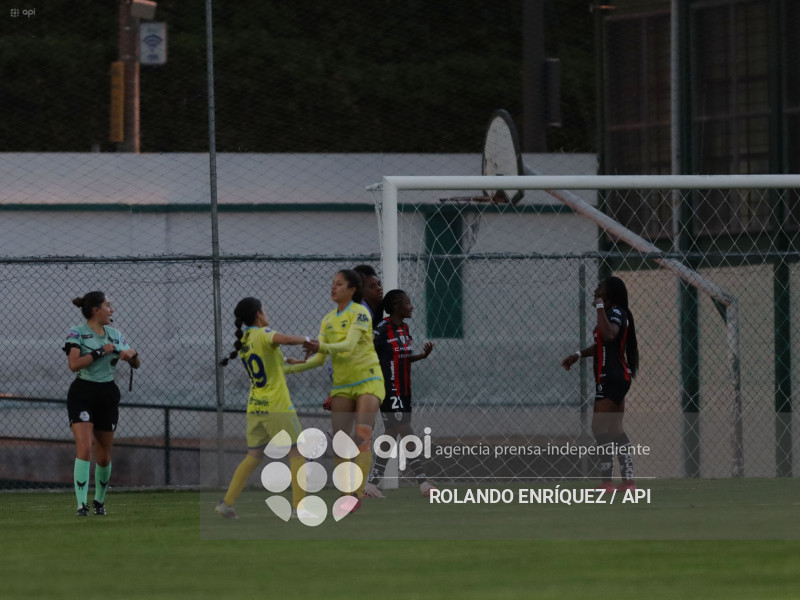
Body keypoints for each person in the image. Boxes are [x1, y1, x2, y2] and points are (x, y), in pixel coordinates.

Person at [287, 269, 385, 515]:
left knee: (362, 436)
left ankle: (356, 494)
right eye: (332, 283)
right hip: (342, 384)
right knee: (342, 442)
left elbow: (350, 345)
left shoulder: (361, 312)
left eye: (339, 284)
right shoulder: (328, 320)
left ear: (352, 289)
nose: (333, 288)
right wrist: (289, 368)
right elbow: (320, 359)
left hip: (368, 380)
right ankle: (345, 492)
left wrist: (322, 345)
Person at [216, 297, 311, 520]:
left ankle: (227, 503)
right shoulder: (263, 333)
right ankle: (300, 508)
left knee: (253, 456)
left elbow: (268, 361)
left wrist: (290, 361)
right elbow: (284, 339)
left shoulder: (245, 340)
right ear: (259, 314)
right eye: (264, 310)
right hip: (277, 405)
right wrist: (309, 340)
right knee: (297, 453)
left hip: (256, 406)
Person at [64, 291, 140, 517]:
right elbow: (74, 364)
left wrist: (131, 355)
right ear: (96, 310)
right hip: (82, 393)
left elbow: (136, 362)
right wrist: (99, 351)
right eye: (108, 305)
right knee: (85, 447)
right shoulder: (77, 333)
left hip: (107, 394)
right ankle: (81, 505)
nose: (112, 310)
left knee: (104, 455)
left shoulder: (115, 334)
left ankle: (99, 501)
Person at [560, 276, 639, 492]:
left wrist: (600, 308)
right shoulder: (611, 314)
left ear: (609, 294)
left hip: (612, 377)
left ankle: (607, 482)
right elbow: (602, 344)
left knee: (599, 427)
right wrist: (578, 354)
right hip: (613, 376)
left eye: (600, 287)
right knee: (614, 429)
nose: (595, 289)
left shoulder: (615, 313)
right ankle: (628, 482)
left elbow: (609, 334)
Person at [364, 289, 436, 498]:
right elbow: (367, 354)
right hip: (389, 390)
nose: (411, 306)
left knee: (392, 433)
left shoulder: (404, 328)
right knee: (406, 432)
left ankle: (371, 485)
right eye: (408, 303)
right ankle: (423, 482)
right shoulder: (381, 329)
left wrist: (422, 356)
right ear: (396, 306)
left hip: (404, 390)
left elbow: (403, 357)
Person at [353, 264, 384, 331]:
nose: (379, 288)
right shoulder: (361, 311)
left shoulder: (380, 306)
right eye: (372, 286)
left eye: (379, 284)